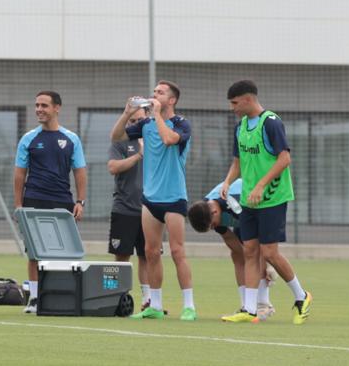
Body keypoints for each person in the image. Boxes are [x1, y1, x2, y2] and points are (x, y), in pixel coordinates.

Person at [218, 80, 312, 325]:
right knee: (249, 250)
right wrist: (227, 181)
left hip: (272, 197)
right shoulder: (240, 128)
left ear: (248, 99)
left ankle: (302, 296)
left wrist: (261, 184)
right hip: (250, 199)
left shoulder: (271, 122)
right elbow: (237, 162)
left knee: (269, 253)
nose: (233, 108)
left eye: (235, 103)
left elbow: (284, 159)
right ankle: (249, 309)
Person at [110, 81, 195, 321]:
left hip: (174, 198)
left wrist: (156, 114)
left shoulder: (181, 124)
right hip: (150, 200)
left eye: (160, 92)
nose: (154, 94)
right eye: (154, 91)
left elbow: (169, 139)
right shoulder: (144, 124)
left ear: (172, 100)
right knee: (150, 252)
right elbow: (115, 137)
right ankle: (154, 305)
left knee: (178, 252)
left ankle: (189, 305)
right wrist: (127, 113)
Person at [14, 91, 87, 314]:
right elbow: (19, 174)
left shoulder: (71, 139)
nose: (39, 109)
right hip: (33, 200)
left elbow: (80, 172)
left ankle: (61, 299)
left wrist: (80, 201)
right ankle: (35, 299)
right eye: (36, 105)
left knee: (62, 252)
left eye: (44, 105)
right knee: (34, 253)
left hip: (62, 201)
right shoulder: (28, 139)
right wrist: (18, 206)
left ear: (57, 108)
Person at [187, 180, 275, 320]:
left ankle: (264, 305)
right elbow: (230, 240)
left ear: (215, 213)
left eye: (212, 225)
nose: (213, 228)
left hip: (259, 206)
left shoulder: (236, 202)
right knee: (238, 256)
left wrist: (265, 266)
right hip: (239, 217)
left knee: (255, 253)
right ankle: (246, 306)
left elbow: (258, 241)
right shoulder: (205, 209)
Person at [107, 106, 149, 311]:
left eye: (140, 120)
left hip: (150, 210)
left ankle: (149, 301)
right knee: (122, 256)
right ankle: (117, 298)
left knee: (148, 256)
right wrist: (138, 156)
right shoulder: (120, 141)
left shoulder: (154, 139)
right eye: (132, 121)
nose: (136, 125)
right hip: (124, 208)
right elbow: (113, 167)